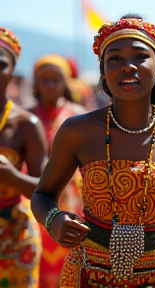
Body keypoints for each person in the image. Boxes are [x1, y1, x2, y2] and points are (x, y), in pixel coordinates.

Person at [30, 14, 155, 287]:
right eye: (115, 58)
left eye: (140, 56)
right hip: (88, 275)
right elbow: (43, 195)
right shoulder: (78, 131)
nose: (128, 66)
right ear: (103, 72)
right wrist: (55, 219)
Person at [30, 54, 87, 288]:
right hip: (38, 194)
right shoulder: (27, 117)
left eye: (56, 80)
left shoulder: (80, 116)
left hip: (75, 197)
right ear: (36, 84)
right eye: (45, 80)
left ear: (65, 82)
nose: (51, 85)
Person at [0, 27, 47, 287]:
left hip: (16, 240)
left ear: (12, 72)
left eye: (0, 64)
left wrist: (11, 176)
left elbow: (45, 190)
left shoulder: (26, 124)